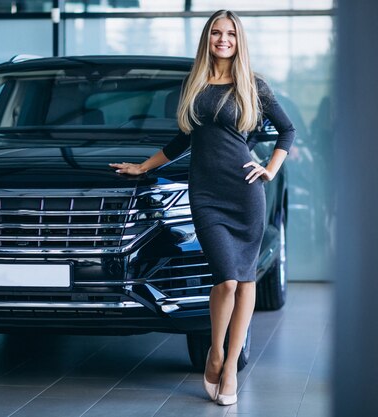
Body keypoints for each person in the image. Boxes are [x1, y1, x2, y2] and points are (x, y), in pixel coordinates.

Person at [109, 9, 295, 406]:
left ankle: (229, 367)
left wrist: (269, 169)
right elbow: (182, 140)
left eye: (229, 33)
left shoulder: (253, 84)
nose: (223, 39)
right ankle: (215, 349)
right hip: (206, 194)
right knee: (226, 279)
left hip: (244, 194)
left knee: (245, 281)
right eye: (216, 32)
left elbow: (287, 129)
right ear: (207, 38)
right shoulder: (195, 82)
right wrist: (143, 166)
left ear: (238, 39)